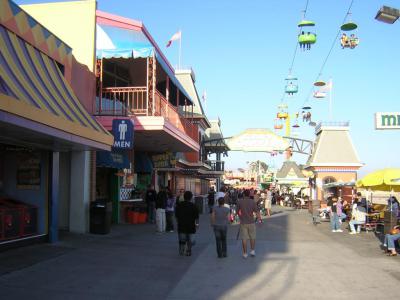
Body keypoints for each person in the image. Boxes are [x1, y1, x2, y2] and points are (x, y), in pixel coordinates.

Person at [237, 189, 262, 258]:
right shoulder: (252, 202)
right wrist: (259, 220)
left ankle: (245, 253)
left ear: (244, 194)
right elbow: (257, 212)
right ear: (249, 195)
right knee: (252, 237)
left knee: (244, 238)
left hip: (243, 222)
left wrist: (240, 217)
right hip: (251, 222)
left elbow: (237, 211)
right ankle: (252, 251)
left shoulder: (240, 202)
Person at [175, 191, 199, 256]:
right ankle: (189, 250)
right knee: (190, 240)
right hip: (191, 226)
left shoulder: (179, 205)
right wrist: (197, 224)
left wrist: (178, 222)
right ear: (191, 197)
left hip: (181, 225)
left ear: (184, 197)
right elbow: (196, 217)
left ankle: (181, 250)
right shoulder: (194, 206)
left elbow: (176, 216)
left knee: (182, 240)